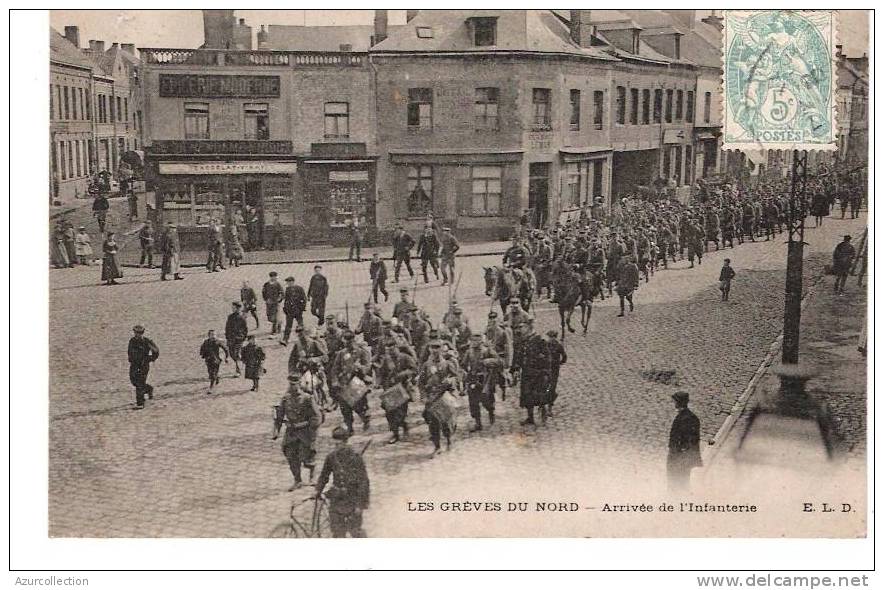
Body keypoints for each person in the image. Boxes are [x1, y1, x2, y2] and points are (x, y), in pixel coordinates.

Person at [315, 426, 371, 537]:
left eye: (339, 444)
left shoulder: (355, 458)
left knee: (355, 532)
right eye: (335, 444)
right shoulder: (331, 457)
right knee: (337, 532)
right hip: (336, 500)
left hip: (352, 500)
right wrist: (317, 490)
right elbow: (324, 476)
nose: (337, 447)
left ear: (346, 442)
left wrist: (360, 505)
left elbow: (364, 482)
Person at [273, 374, 322, 491]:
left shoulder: (307, 398)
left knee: (307, 457)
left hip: (305, 433)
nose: (292, 387)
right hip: (291, 433)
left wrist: (308, 427)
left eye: (294, 384)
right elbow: (279, 416)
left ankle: (312, 476)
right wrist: (276, 431)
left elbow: (317, 417)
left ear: (299, 384)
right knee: (291, 456)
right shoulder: (286, 399)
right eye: (290, 384)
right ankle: (297, 480)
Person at [418, 339, 459, 455]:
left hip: (443, 396)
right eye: (432, 348)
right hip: (431, 398)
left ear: (441, 349)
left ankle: (449, 440)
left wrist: (450, 381)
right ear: (429, 349)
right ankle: (437, 446)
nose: (434, 350)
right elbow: (420, 382)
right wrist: (423, 396)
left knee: (446, 421)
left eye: (437, 347)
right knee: (433, 423)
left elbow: (456, 377)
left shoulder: (447, 364)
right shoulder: (426, 365)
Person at [329, 331, 373, 434]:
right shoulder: (341, 354)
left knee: (360, 407)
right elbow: (335, 370)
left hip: (358, 384)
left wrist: (360, 368)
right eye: (346, 341)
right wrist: (335, 382)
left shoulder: (361, 352)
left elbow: (367, 367)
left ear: (353, 340)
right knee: (345, 408)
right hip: (344, 384)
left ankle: (365, 419)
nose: (347, 343)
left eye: (349, 341)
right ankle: (349, 428)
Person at [461, 333, 500, 432]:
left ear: (481, 341)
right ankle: (478, 423)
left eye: (477, 341)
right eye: (472, 340)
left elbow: (498, 361)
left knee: (485, 399)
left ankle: (491, 410)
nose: (474, 343)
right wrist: (466, 373)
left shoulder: (487, 351)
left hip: (485, 379)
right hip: (473, 379)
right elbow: (463, 364)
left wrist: (488, 361)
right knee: (473, 402)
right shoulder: (469, 352)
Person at [667, 391, 702, 491]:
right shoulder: (692, 417)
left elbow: (686, 440)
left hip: (679, 457)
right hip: (685, 458)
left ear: (678, 403)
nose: (674, 404)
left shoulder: (683, 418)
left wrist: (675, 454)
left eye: (675, 402)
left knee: (676, 482)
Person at [519, 318, 550, 426]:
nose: (520, 329)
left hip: (538, 372)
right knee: (527, 395)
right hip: (526, 371)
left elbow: (547, 357)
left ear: (528, 327)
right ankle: (530, 417)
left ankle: (543, 415)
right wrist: (516, 368)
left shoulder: (540, 339)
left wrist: (543, 368)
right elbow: (520, 355)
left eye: (522, 327)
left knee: (539, 395)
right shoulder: (523, 339)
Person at [128, 325, 159, 410]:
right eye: (136, 332)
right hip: (134, 364)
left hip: (143, 365)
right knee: (133, 381)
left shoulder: (147, 341)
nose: (138, 334)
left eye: (140, 333)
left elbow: (156, 352)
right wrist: (130, 359)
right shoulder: (132, 341)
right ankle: (148, 389)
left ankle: (140, 403)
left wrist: (149, 359)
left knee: (140, 383)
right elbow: (129, 351)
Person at [199, 330, 229, 394]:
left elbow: (225, 349)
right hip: (208, 360)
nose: (213, 336)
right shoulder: (206, 342)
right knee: (210, 372)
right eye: (212, 334)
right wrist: (202, 354)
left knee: (213, 373)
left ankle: (211, 387)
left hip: (216, 360)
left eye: (214, 334)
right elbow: (202, 348)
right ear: (209, 336)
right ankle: (216, 378)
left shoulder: (217, 342)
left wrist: (226, 357)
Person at [281, 276, 308, 346]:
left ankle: (305, 340)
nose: (287, 283)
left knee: (300, 326)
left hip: (298, 310)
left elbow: (304, 298)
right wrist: (285, 308)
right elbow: (286, 300)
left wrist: (302, 307)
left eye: (288, 282)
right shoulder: (287, 289)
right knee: (288, 326)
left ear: (292, 282)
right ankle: (285, 340)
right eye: (287, 282)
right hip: (289, 310)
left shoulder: (299, 288)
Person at [545, 330, 566, 416]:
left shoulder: (556, 345)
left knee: (551, 388)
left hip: (552, 370)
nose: (550, 339)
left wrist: (559, 363)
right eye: (550, 337)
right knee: (547, 387)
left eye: (551, 337)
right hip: (548, 370)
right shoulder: (549, 345)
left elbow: (564, 357)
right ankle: (547, 406)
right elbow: (564, 357)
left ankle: (549, 408)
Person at [225, 301, 249, 375]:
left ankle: (238, 370)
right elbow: (227, 327)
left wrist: (243, 337)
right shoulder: (230, 317)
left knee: (237, 354)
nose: (232, 309)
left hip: (239, 339)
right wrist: (227, 336)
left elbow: (245, 329)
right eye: (232, 307)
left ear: (238, 308)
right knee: (232, 354)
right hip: (231, 339)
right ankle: (241, 362)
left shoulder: (242, 317)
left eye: (234, 307)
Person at [262, 271, 284, 337]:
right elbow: (263, 292)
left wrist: (279, 299)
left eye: (275, 277)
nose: (274, 278)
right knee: (269, 317)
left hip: (275, 303)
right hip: (269, 303)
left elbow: (282, 293)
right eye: (272, 277)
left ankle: (274, 330)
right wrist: (266, 299)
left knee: (275, 316)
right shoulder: (266, 284)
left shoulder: (278, 284)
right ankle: (279, 323)